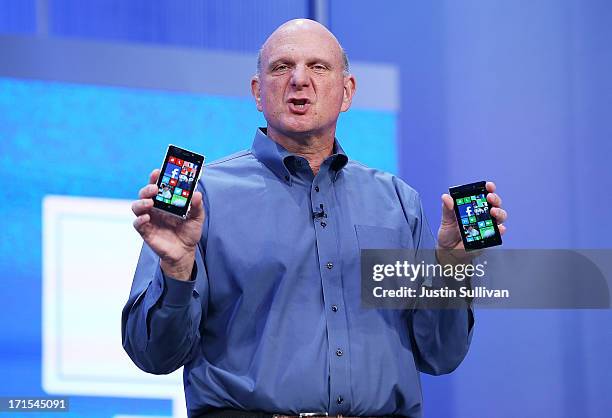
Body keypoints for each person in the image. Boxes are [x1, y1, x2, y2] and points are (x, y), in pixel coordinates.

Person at [122, 19, 508, 418]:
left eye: (318, 67)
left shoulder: (398, 201)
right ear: (257, 92)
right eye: (280, 67)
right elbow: (154, 356)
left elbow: (441, 356)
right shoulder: (203, 200)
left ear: (347, 92)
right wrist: (176, 271)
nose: (299, 80)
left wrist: (452, 267)